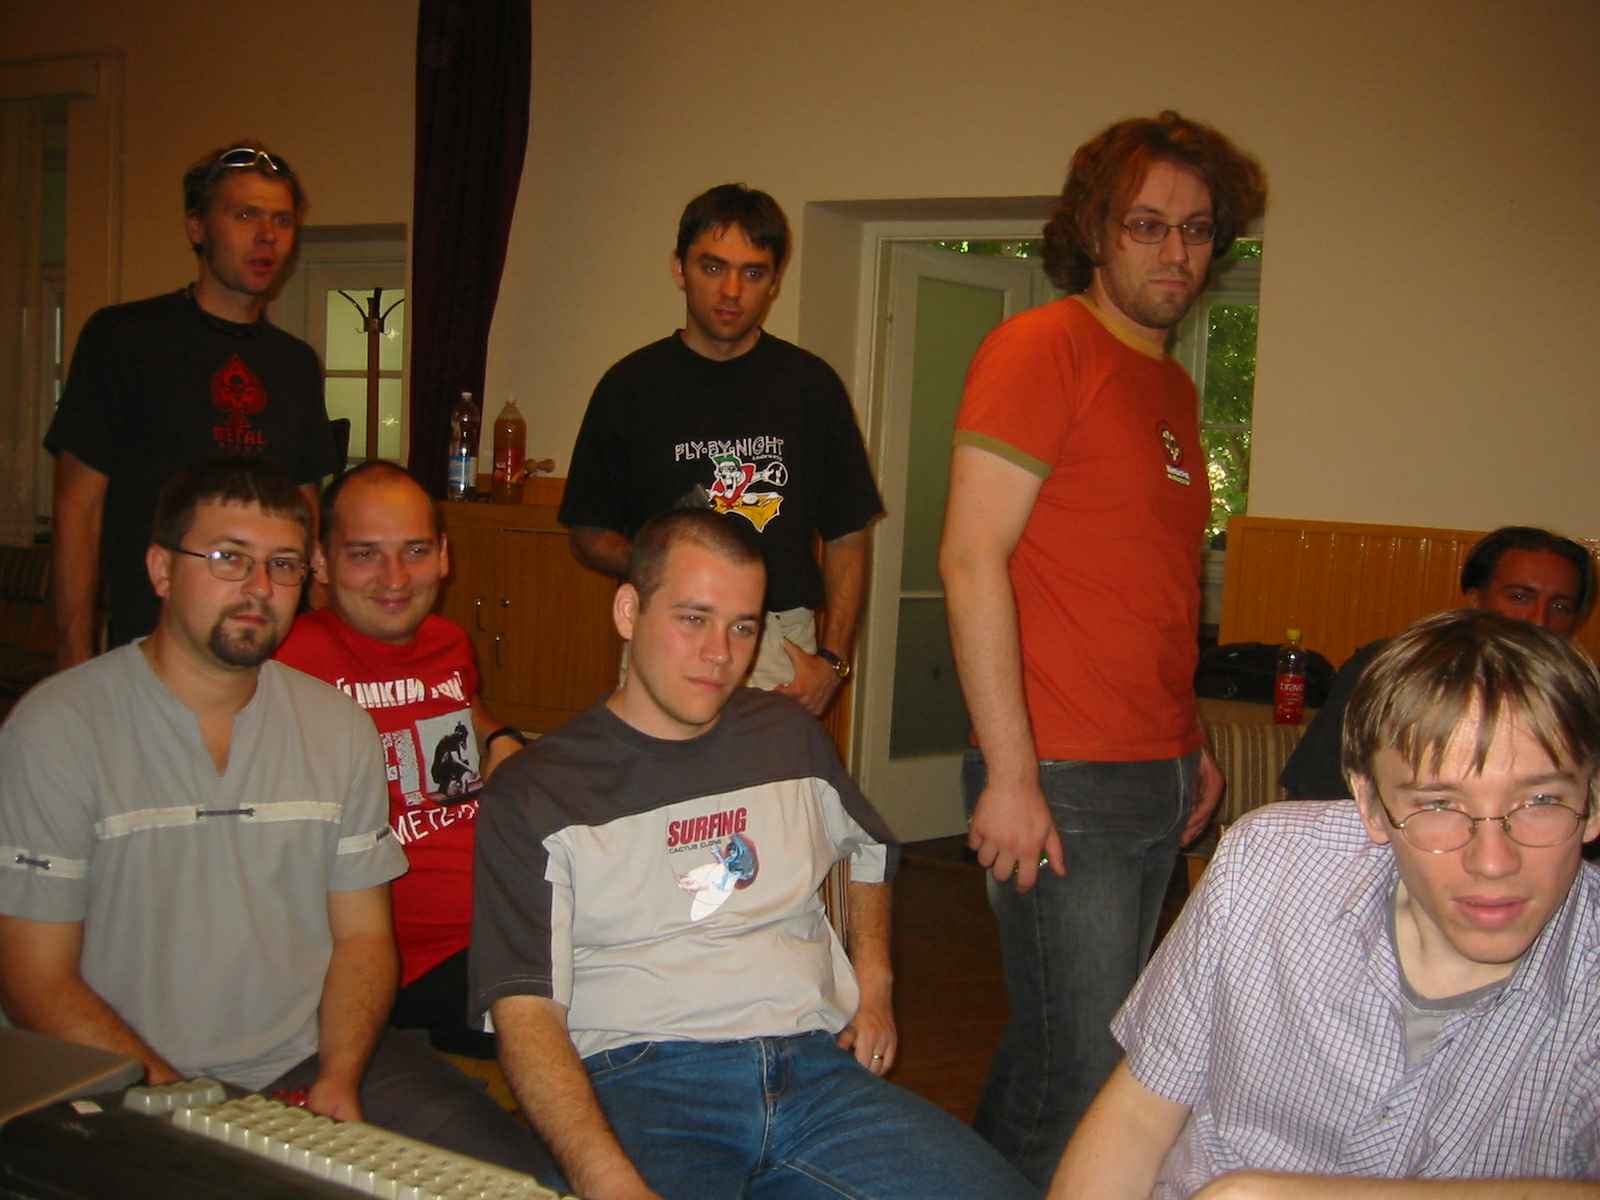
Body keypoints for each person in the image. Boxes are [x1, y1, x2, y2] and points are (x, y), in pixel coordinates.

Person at [0, 460, 557, 1181]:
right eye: (228, 558)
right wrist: (180, 1099)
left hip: (311, 1058)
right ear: (162, 569)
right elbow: (34, 980)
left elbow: (363, 939)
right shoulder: (57, 729)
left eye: (282, 565)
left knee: (524, 1183)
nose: (259, 588)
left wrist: (340, 1076)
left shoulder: (337, 730)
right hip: (111, 1076)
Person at [469, 509, 1033, 1200]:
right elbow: (525, 1016)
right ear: (628, 611)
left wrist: (876, 986)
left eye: (743, 627)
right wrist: (604, 1178)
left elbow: (869, 850)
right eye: (693, 619)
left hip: (815, 1077)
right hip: (643, 1083)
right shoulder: (536, 792)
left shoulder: (788, 738)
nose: (720, 654)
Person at [938, 109, 1267, 1186]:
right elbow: (970, 558)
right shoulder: (1043, 349)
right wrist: (1012, 775)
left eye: (1197, 229)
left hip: (1152, 768)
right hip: (1062, 773)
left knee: (1099, 1049)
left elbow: (1150, 590)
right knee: (1075, 1063)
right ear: (1093, 231)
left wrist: (1189, 741)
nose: (1176, 252)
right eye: (1146, 225)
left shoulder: (1171, 385)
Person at [1051, 607, 1600, 1198]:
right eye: (1438, 805)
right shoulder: (1265, 865)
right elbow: (1138, 1116)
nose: (1492, 862)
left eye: (1541, 802)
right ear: (1371, 806)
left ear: (1593, 801)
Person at [558, 183, 883, 716]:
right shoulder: (629, 386)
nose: (731, 290)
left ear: (774, 282)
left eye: (752, 273)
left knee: (773, 775)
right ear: (679, 268)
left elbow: (848, 534)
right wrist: (666, 564)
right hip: (665, 628)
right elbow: (587, 531)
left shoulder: (811, 386)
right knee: (660, 772)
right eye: (713, 267)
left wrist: (832, 661)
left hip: (779, 643)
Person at [45, 141, 334, 668]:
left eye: (282, 220)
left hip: (268, 653)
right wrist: (73, 658)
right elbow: (77, 511)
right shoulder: (123, 339)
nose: (267, 235)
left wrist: (322, 651)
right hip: (149, 649)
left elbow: (306, 516)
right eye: (244, 215)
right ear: (197, 228)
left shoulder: (295, 364)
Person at [276, 462, 528, 1057]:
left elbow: (459, 707)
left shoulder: (448, 642)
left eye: (414, 551)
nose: (394, 579)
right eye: (365, 554)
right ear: (321, 562)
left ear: (443, 556)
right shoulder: (286, 660)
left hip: (502, 915)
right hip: (407, 960)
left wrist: (501, 737)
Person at [1282, 525, 1595, 801]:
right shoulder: (1391, 670)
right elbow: (1316, 794)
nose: (1539, 619)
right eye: (1519, 597)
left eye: (1560, 606)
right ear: (1475, 599)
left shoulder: (1580, 694)